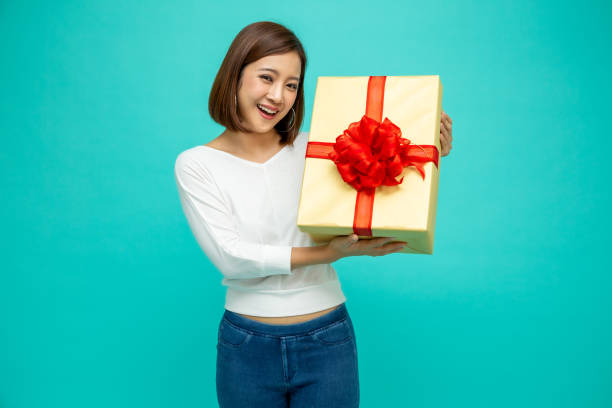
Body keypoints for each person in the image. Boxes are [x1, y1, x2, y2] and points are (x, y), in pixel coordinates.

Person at [174, 21, 453, 408]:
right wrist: (331, 253)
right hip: (246, 345)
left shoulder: (317, 149)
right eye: (266, 77)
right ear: (234, 76)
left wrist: (426, 146)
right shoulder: (197, 164)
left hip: (327, 339)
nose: (278, 95)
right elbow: (233, 258)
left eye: (291, 84)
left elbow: (382, 180)